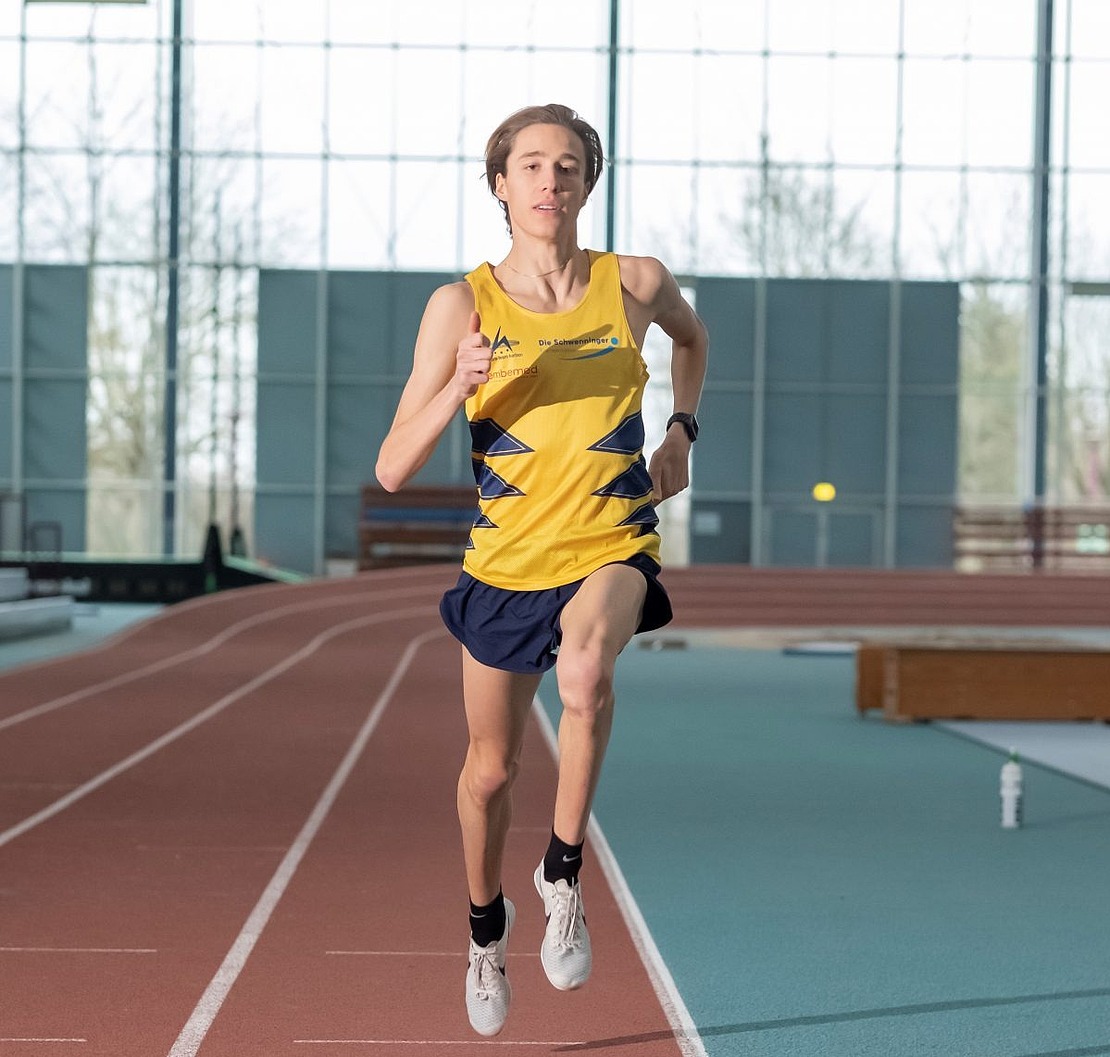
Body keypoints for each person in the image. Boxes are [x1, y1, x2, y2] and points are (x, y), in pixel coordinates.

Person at [375, 102, 708, 1037]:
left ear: (586, 183)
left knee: (588, 669)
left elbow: (693, 339)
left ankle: (562, 871)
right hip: (506, 563)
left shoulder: (635, 282)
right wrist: (457, 382)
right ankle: (487, 931)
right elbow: (393, 464)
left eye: (567, 166)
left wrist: (681, 429)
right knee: (489, 772)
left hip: (610, 541)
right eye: (530, 166)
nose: (549, 182)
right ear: (500, 185)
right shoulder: (460, 306)